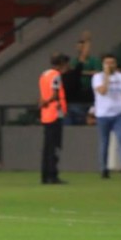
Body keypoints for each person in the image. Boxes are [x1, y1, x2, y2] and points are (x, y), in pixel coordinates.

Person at [92, 54, 121, 179]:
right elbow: (102, 91)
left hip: (118, 114)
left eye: (112, 62)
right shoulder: (97, 77)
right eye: (107, 62)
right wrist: (106, 76)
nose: (110, 65)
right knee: (104, 142)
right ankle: (103, 168)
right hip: (103, 114)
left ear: (116, 64)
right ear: (103, 64)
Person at [39, 54, 70, 184]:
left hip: (46, 114)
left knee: (47, 147)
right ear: (62, 64)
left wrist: (43, 102)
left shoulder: (44, 74)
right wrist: (47, 101)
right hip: (55, 113)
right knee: (54, 147)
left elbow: (43, 93)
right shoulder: (56, 76)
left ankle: (45, 176)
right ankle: (53, 175)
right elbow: (55, 95)